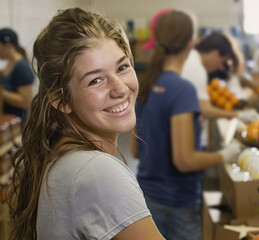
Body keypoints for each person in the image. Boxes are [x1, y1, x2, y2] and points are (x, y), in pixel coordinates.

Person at [5, 8, 164, 240]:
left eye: (122, 67)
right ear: (61, 99)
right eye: (95, 80)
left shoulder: (64, 156)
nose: (120, 88)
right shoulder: (97, 172)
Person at [133, 10, 241, 240]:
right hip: (177, 203)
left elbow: (135, 150)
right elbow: (185, 160)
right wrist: (225, 155)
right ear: (190, 44)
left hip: (147, 198)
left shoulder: (145, 83)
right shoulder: (182, 89)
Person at [0, 28, 34, 121]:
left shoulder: (21, 67)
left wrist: (2, 92)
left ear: (7, 45)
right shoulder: (10, 64)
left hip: (18, 125)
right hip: (8, 121)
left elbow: (25, 102)